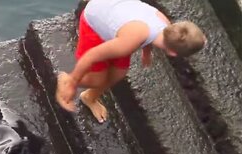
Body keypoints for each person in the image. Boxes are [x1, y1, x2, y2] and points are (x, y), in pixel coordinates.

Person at [57, 0, 207, 122]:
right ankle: (65, 80)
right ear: (173, 53)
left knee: (119, 73)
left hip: (120, 23)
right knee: (97, 80)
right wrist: (72, 82)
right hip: (94, 22)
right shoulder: (129, 42)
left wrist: (146, 52)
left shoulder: (168, 28)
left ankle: (90, 97)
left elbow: (153, 34)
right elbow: (91, 56)